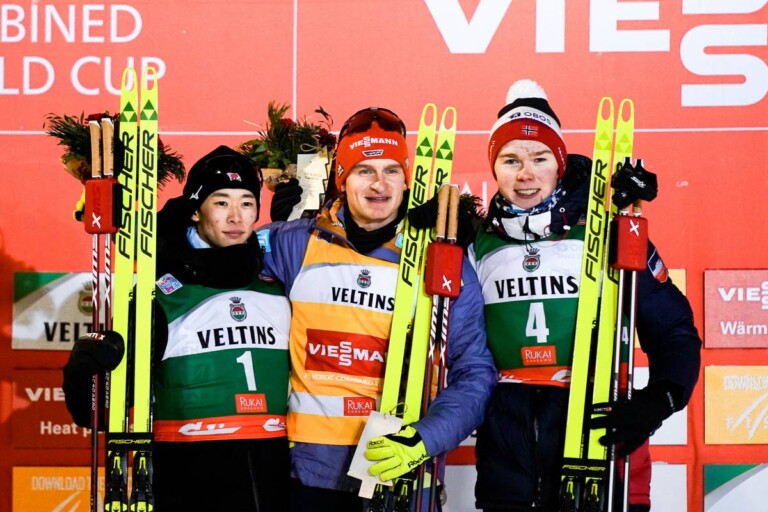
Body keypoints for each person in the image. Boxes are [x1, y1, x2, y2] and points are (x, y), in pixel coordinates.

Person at [466, 80, 702, 511]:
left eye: (540, 159)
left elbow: (673, 328)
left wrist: (660, 399)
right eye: (510, 160)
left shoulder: (607, 231)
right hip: (508, 468)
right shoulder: (476, 243)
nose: (525, 174)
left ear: (559, 165)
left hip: (599, 453)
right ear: (494, 168)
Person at [258, 107, 497, 511]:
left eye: (391, 170)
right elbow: (213, 254)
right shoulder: (293, 243)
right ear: (342, 178)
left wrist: (423, 439)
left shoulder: (441, 261)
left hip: (400, 474)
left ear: (406, 180)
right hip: (309, 476)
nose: (379, 184)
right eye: (364, 170)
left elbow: (473, 370)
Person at [63, 146, 291, 511]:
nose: (236, 217)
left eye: (247, 203)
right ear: (196, 210)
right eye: (221, 202)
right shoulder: (161, 292)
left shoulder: (278, 283)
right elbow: (100, 412)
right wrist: (83, 370)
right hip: (188, 477)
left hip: (275, 476)